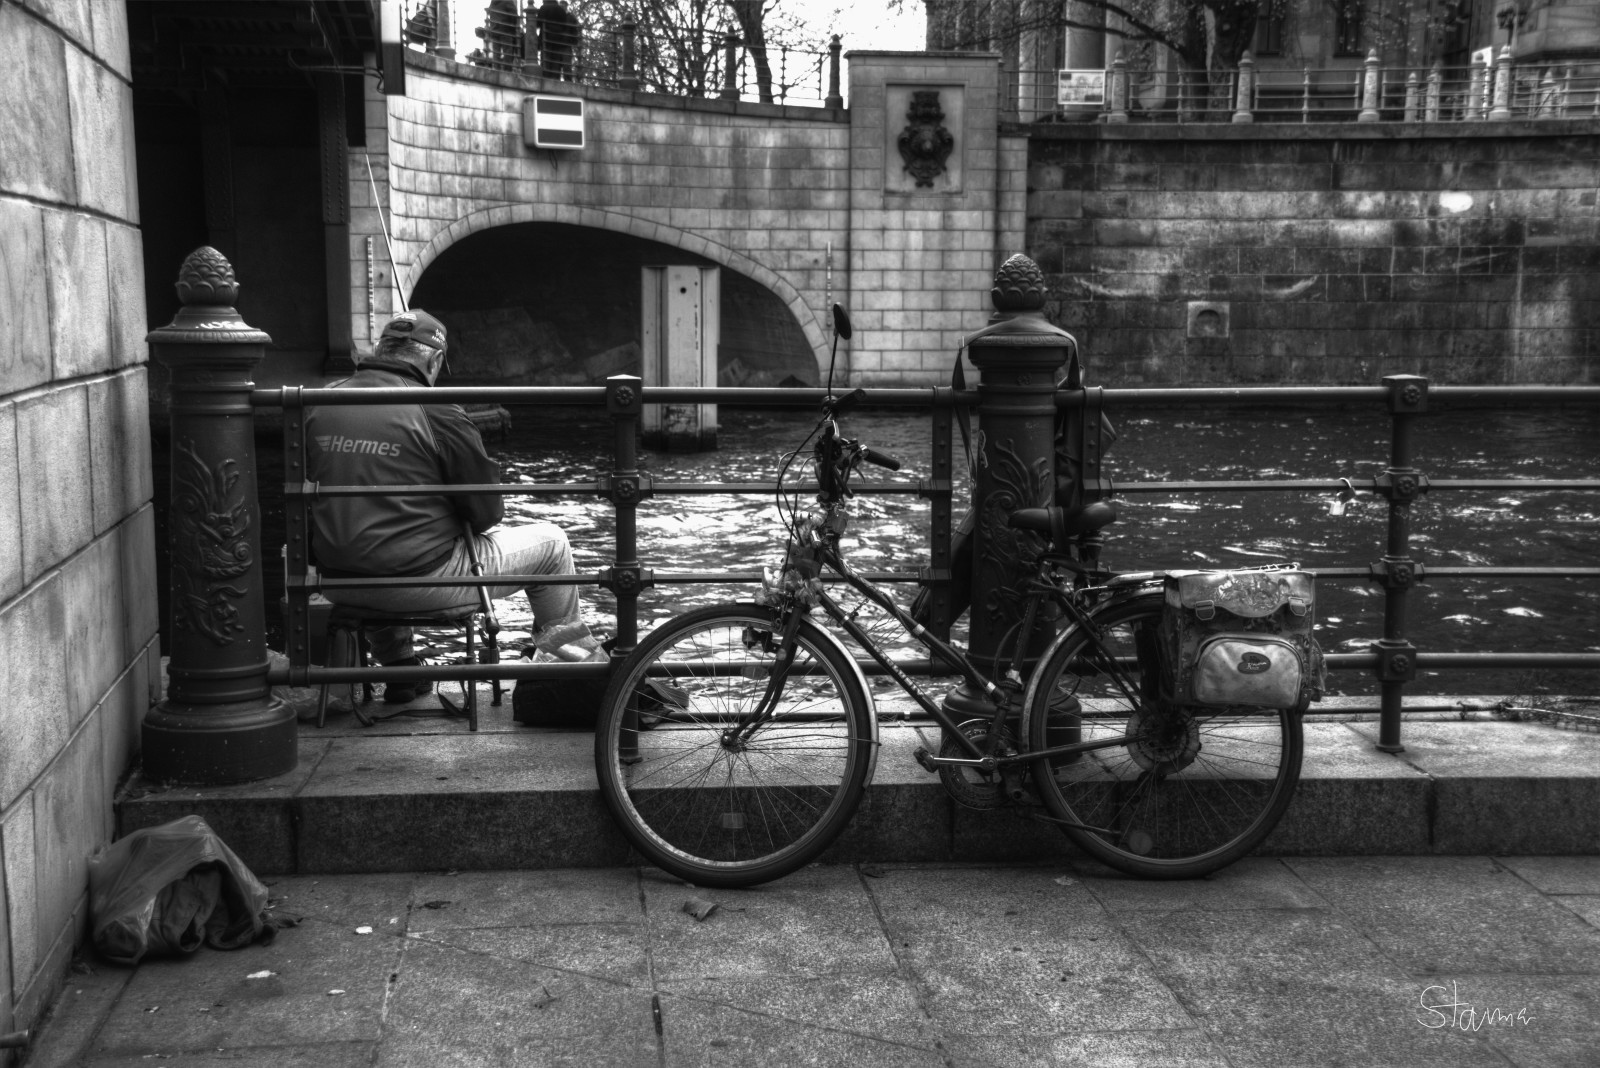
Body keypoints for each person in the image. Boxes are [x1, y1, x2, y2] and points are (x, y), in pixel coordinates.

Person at [306, 310, 580, 704]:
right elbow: (487, 512)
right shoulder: (437, 409)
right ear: (434, 361)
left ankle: (401, 668)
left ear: (381, 350)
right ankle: (568, 673)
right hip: (416, 583)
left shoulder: (320, 401)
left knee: (375, 532)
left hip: (335, 581)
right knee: (552, 545)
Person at [536, 0, 578, 80]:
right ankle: (553, 79)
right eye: (561, 5)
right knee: (556, 65)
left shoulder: (570, 18)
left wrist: (572, 40)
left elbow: (574, 31)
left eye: (563, 5)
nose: (562, 6)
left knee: (565, 66)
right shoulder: (562, 14)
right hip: (557, 43)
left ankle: (561, 80)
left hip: (562, 44)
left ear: (566, 6)